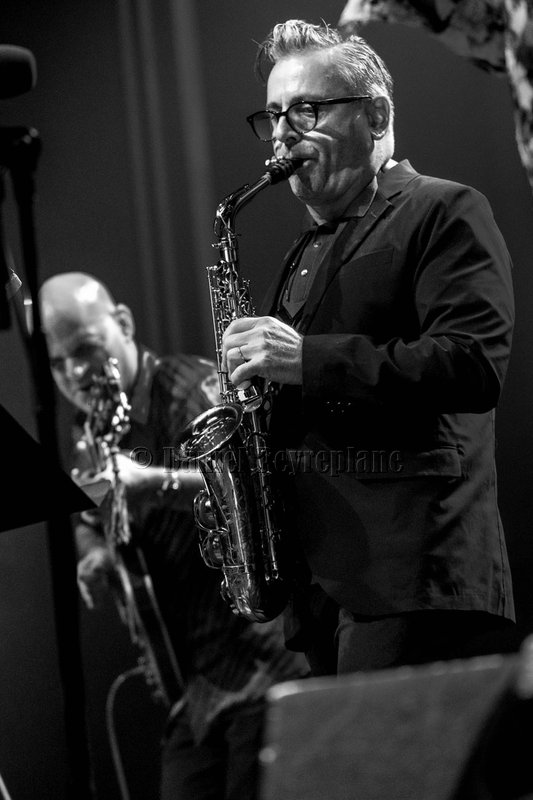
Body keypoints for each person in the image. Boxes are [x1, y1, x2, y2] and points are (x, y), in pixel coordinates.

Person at [221, 19, 516, 677]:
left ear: (375, 115)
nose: (282, 133)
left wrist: (306, 359)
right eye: (273, 115)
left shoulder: (443, 209)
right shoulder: (305, 248)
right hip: (320, 587)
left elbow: (471, 364)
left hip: (412, 573)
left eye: (306, 110)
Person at [39, 271, 309, 800]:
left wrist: (153, 484)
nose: (75, 373)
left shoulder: (189, 389)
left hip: (259, 662)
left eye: (86, 349)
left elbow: (251, 490)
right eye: (57, 362)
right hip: (195, 685)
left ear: (123, 324)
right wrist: (94, 555)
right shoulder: (90, 429)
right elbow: (88, 521)